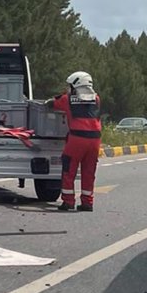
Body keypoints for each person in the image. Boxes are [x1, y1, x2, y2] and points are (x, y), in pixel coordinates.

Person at [49, 71, 103, 212]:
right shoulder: (96, 98)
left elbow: (51, 104)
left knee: (69, 170)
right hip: (95, 140)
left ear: (75, 85)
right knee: (89, 171)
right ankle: (87, 203)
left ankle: (68, 202)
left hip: (77, 139)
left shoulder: (67, 99)